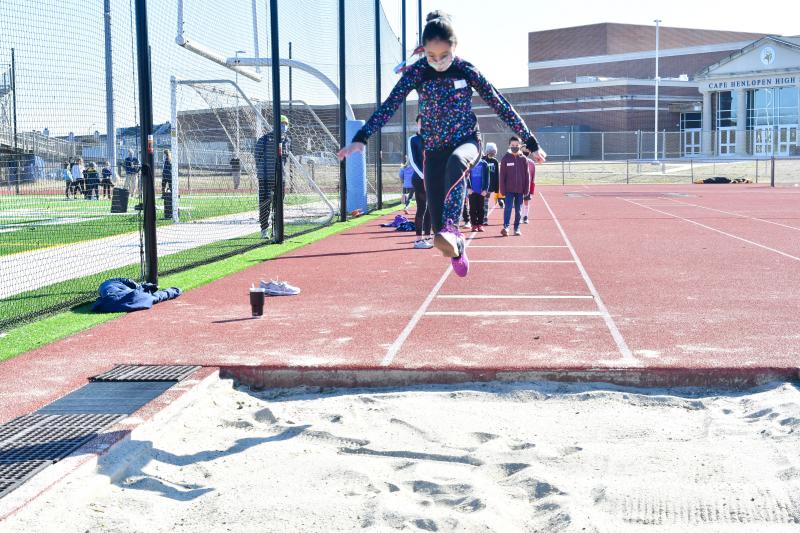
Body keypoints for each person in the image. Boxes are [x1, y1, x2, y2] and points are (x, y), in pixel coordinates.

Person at [337, 10, 545, 277]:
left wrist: (530, 140)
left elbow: (499, 104)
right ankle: (455, 245)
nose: (438, 62)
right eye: (431, 56)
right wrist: (362, 137)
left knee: (457, 164)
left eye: (444, 56)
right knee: (439, 233)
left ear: (454, 48)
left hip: (467, 141)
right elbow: (389, 105)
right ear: (424, 51)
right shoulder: (418, 73)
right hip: (433, 150)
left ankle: (452, 226)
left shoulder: (466, 70)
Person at [254, 116, 291, 239]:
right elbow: (257, 156)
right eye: (281, 123)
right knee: (265, 204)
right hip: (265, 177)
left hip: (281, 178)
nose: (283, 126)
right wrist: (266, 169)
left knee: (278, 204)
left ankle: (277, 230)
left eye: (285, 124)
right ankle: (264, 230)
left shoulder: (287, 140)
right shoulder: (264, 139)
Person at [407, 115, 432, 249]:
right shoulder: (413, 139)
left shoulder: (432, 139)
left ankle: (427, 237)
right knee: (421, 208)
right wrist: (424, 176)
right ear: (417, 123)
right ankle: (418, 240)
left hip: (431, 180)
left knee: (430, 209)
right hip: (419, 179)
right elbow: (413, 160)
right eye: (421, 122)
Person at [499, 136, 530, 236]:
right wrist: (502, 190)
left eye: (517, 145)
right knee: (507, 208)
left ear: (520, 146)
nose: (515, 147)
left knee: (518, 210)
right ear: (509, 145)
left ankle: (516, 228)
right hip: (509, 190)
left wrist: (526, 189)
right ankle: (506, 227)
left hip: (520, 190)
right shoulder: (505, 158)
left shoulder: (523, 159)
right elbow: (502, 175)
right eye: (513, 145)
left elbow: (527, 175)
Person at [467, 155, 489, 232]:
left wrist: (485, 189)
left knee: (481, 208)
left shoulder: (484, 164)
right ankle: (474, 225)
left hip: (481, 191)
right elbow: (465, 176)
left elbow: (487, 178)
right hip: (472, 191)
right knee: (472, 208)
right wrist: (468, 188)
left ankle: (480, 224)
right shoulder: (468, 163)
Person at [483, 143, 500, 224]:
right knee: (482, 202)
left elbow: (497, 175)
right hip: (482, 185)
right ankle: (481, 217)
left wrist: (497, 189)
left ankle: (485, 218)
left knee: (485, 201)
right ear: (487, 151)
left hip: (490, 186)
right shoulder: (482, 160)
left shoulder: (495, 161)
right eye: (491, 150)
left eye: (494, 151)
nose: (492, 153)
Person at [521, 146, 537, 224]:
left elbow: (533, 176)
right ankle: (519, 217)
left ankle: (525, 216)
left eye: (527, 149)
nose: (525, 151)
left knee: (526, 201)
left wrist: (532, 188)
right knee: (519, 202)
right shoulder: (518, 161)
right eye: (523, 149)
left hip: (527, 186)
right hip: (519, 185)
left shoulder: (532, 163)